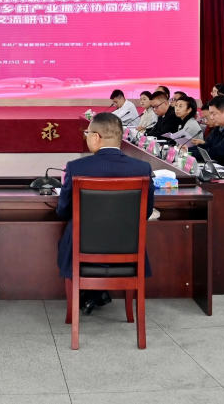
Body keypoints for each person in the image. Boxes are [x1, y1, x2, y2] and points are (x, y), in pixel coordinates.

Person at [55, 112, 153, 316]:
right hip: (128, 249)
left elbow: (63, 210)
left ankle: (92, 293)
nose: (86, 137)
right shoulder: (142, 168)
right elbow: (146, 212)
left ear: (96, 137)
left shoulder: (76, 167)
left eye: (87, 133)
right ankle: (96, 293)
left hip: (83, 251)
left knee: (67, 235)